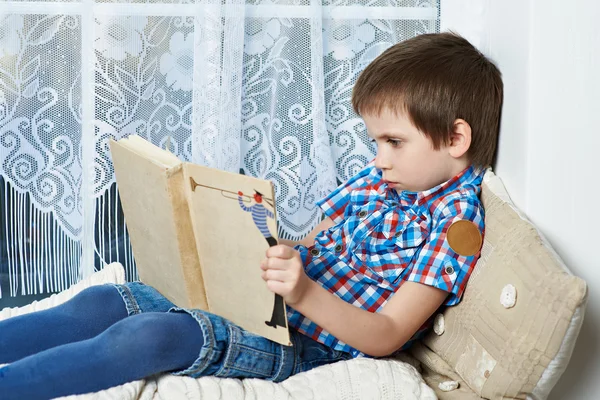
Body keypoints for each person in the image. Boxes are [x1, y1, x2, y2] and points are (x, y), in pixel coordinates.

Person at [0, 32, 503, 399]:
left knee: (149, 335)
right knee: (100, 304)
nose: (379, 157)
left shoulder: (456, 226)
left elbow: (388, 334)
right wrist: (254, 236)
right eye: (376, 141)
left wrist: (303, 292)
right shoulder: (385, 178)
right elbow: (314, 239)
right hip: (258, 295)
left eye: (394, 142)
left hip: (299, 340)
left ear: (456, 138)